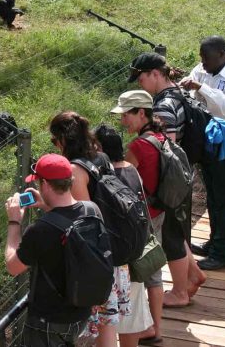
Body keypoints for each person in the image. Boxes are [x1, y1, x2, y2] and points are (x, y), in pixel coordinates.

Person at [126, 53, 207, 307]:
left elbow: (166, 149)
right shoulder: (179, 92)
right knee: (177, 233)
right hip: (183, 175)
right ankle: (193, 274)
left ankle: (180, 292)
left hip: (169, 183)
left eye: (141, 79)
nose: (141, 84)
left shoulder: (162, 106)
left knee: (171, 239)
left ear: (155, 74)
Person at [49, 111, 130, 347]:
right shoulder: (102, 157)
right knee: (107, 325)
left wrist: (48, 206)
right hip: (114, 250)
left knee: (95, 326)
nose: (55, 146)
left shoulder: (75, 170)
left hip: (96, 258)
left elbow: (85, 218)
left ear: (63, 139)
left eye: (54, 141)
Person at [181, 35, 225, 270]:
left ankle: (224, 252)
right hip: (210, 137)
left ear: (222, 54)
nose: (202, 63)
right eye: (201, 57)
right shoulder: (202, 70)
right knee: (214, 193)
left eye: (207, 58)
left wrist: (203, 89)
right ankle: (215, 241)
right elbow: (191, 86)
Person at [4, 153, 93, 346]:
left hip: (48, 321)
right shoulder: (91, 210)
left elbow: (13, 267)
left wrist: (14, 222)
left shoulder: (41, 229)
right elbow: (67, 219)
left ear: (44, 184)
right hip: (81, 312)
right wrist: (46, 205)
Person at [94, 125, 154, 347]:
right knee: (131, 316)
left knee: (111, 319)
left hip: (119, 258)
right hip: (136, 249)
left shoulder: (109, 178)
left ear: (99, 148)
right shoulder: (131, 169)